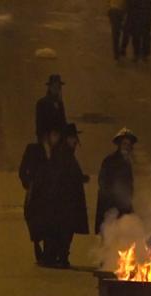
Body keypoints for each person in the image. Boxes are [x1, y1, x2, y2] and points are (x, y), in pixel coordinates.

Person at [46, 124, 90, 268]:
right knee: (63, 231)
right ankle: (60, 257)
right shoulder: (63, 154)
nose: (75, 141)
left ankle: (60, 256)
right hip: (64, 203)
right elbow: (61, 177)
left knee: (64, 231)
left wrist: (80, 178)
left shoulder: (64, 153)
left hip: (66, 202)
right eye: (73, 138)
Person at [24, 127, 62, 265]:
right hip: (37, 193)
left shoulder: (58, 151)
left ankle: (47, 254)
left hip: (52, 194)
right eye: (54, 134)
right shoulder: (33, 149)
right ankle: (36, 245)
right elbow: (23, 169)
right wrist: (28, 183)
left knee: (50, 223)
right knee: (35, 221)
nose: (56, 138)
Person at [96, 128, 137, 234]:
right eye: (124, 144)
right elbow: (103, 184)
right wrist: (112, 208)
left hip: (123, 211)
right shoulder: (109, 161)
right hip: (110, 210)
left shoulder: (127, 163)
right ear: (119, 145)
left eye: (129, 144)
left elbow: (128, 188)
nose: (127, 147)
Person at [35, 75, 67, 144]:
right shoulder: (42, 103)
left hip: (60, 142)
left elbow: (63, 122)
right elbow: (39, 125)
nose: (56, 89)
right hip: (46, 141)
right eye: (54, 86)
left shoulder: (60, 103)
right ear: (49, 87)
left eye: (58, 87)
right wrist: (44, 140)